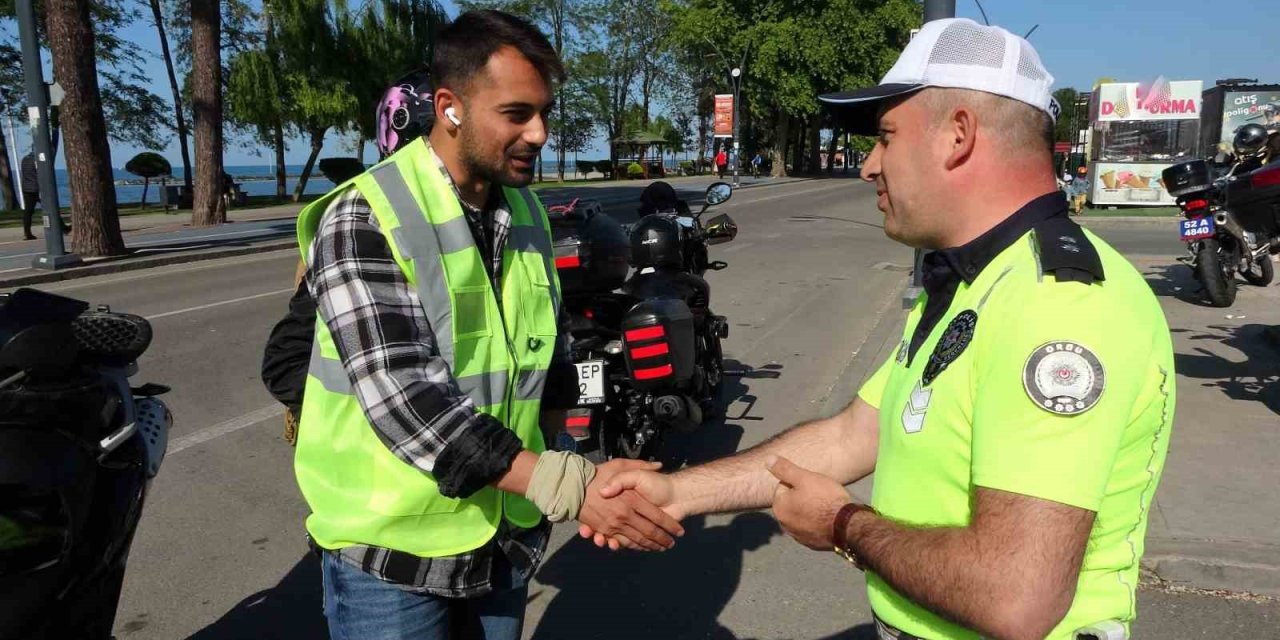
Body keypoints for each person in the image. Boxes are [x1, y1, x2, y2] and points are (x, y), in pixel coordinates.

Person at [583, 18, 1175, 640]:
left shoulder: (1058, 304)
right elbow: (855, 433)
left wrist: (843, 525)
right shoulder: (976, 280)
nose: (869, 166)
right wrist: (677, 494)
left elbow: (1016, 598)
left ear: (959, 135)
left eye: (886, 137)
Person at [292, 11, 682, 640]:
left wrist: (569, 461)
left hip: (505, 538)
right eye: (517, 113)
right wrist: (568, 485)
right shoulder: (365, 215)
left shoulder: (525, 210)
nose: (540, 134)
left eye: (545, 113)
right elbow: (409, 400)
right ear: (450, 107)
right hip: (394, 557)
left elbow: (549, 357)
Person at [262, 67, 437, 445]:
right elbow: (289, 361)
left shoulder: (483, 216)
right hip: (382, 471)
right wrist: (375, 421)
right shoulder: (357, 223)